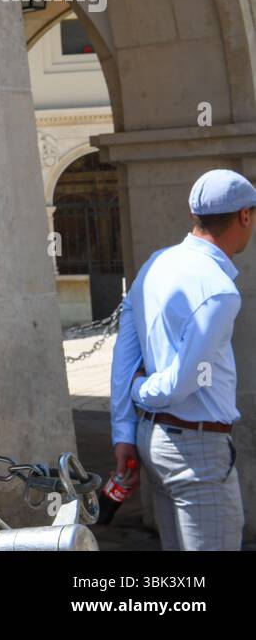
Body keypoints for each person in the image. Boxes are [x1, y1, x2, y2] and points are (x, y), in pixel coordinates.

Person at [109, 168, 250, 550]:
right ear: (244, 216)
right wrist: (141, 390)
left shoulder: (157, 263)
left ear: (194, 216)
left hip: (153, 439)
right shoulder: (220, 291)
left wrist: (123, 430)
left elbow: (126, 351)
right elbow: (184, 382)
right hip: (197, 451)